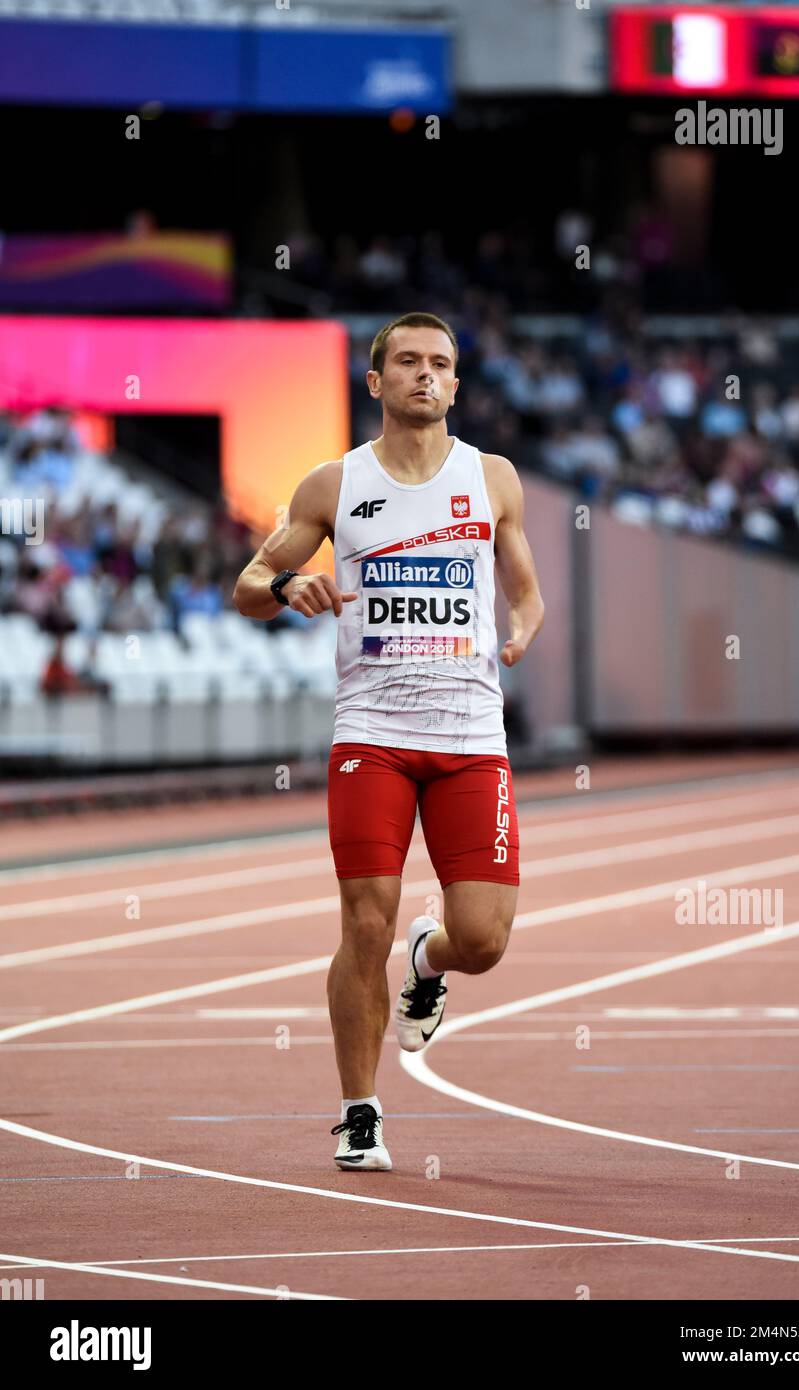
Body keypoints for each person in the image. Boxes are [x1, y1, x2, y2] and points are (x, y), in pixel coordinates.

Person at [233, 312, 544, 1171]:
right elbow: (248, 584)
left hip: (472, 736)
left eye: (439, 364)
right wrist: (291, 582)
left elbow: (526, 592)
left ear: (455, 382)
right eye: (406, 362)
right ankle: (359, 1110)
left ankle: (429, 959)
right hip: (371, 733)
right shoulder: (334, 485)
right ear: (375, 382)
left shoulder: (493, 479)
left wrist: (518, 631)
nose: (424, 375)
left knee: (481, 941)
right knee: (363, 922)